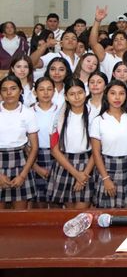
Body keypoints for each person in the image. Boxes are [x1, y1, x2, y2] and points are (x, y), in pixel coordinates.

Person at [89, 80, 127, 208]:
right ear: (106, 95)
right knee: (109, 211)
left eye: (121, 93)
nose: (117, 97)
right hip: (108, 169)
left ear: (126, 96)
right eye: (113, 93)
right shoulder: (99, 120)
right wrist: (106, 178)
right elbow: (96, 153)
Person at [47, 79, 94, 209]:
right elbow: (54, 149)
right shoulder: (58, 116)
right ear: (66, 97)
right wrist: (76, 174)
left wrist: (83, 175)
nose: (77, 97)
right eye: (72, 94)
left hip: (87, 165)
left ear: (86, 93)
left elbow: (97, 149)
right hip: (65, 165)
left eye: (80, 92)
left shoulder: (94, 115)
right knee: (69, 212)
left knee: (82, 211)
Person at [0, 75, 39, 209]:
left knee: (19, 215)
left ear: (21, 90)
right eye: (4, 89)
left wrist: (23, 175)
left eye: (13, 88)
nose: (9, 93)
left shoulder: (28, 113)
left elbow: (34, 148)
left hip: (21, 163)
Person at [31, 77, 60, 207]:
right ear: (35, 92)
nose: (46, 93)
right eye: (41, 89)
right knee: (39, 201)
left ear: (54, 91)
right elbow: (25, 143)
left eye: (49, 89)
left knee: (57, 200)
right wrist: (36, 167)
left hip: (58, 155)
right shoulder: (29, 112)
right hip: (35, 156)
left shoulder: (61, 111)